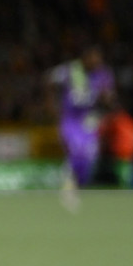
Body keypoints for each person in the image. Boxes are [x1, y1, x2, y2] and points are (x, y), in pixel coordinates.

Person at [47, 46, 115, 189]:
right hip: (71, 118)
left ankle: (81, 186)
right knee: (77, 150)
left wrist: (107, 98)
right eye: (95, 59)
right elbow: (49, 79)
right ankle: (68, 183)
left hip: (89, 119)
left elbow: (109, 97)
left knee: (90, 155)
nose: (98, 62)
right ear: (86, 58)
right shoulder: (70, 70)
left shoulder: (103, 74)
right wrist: (52, 105)